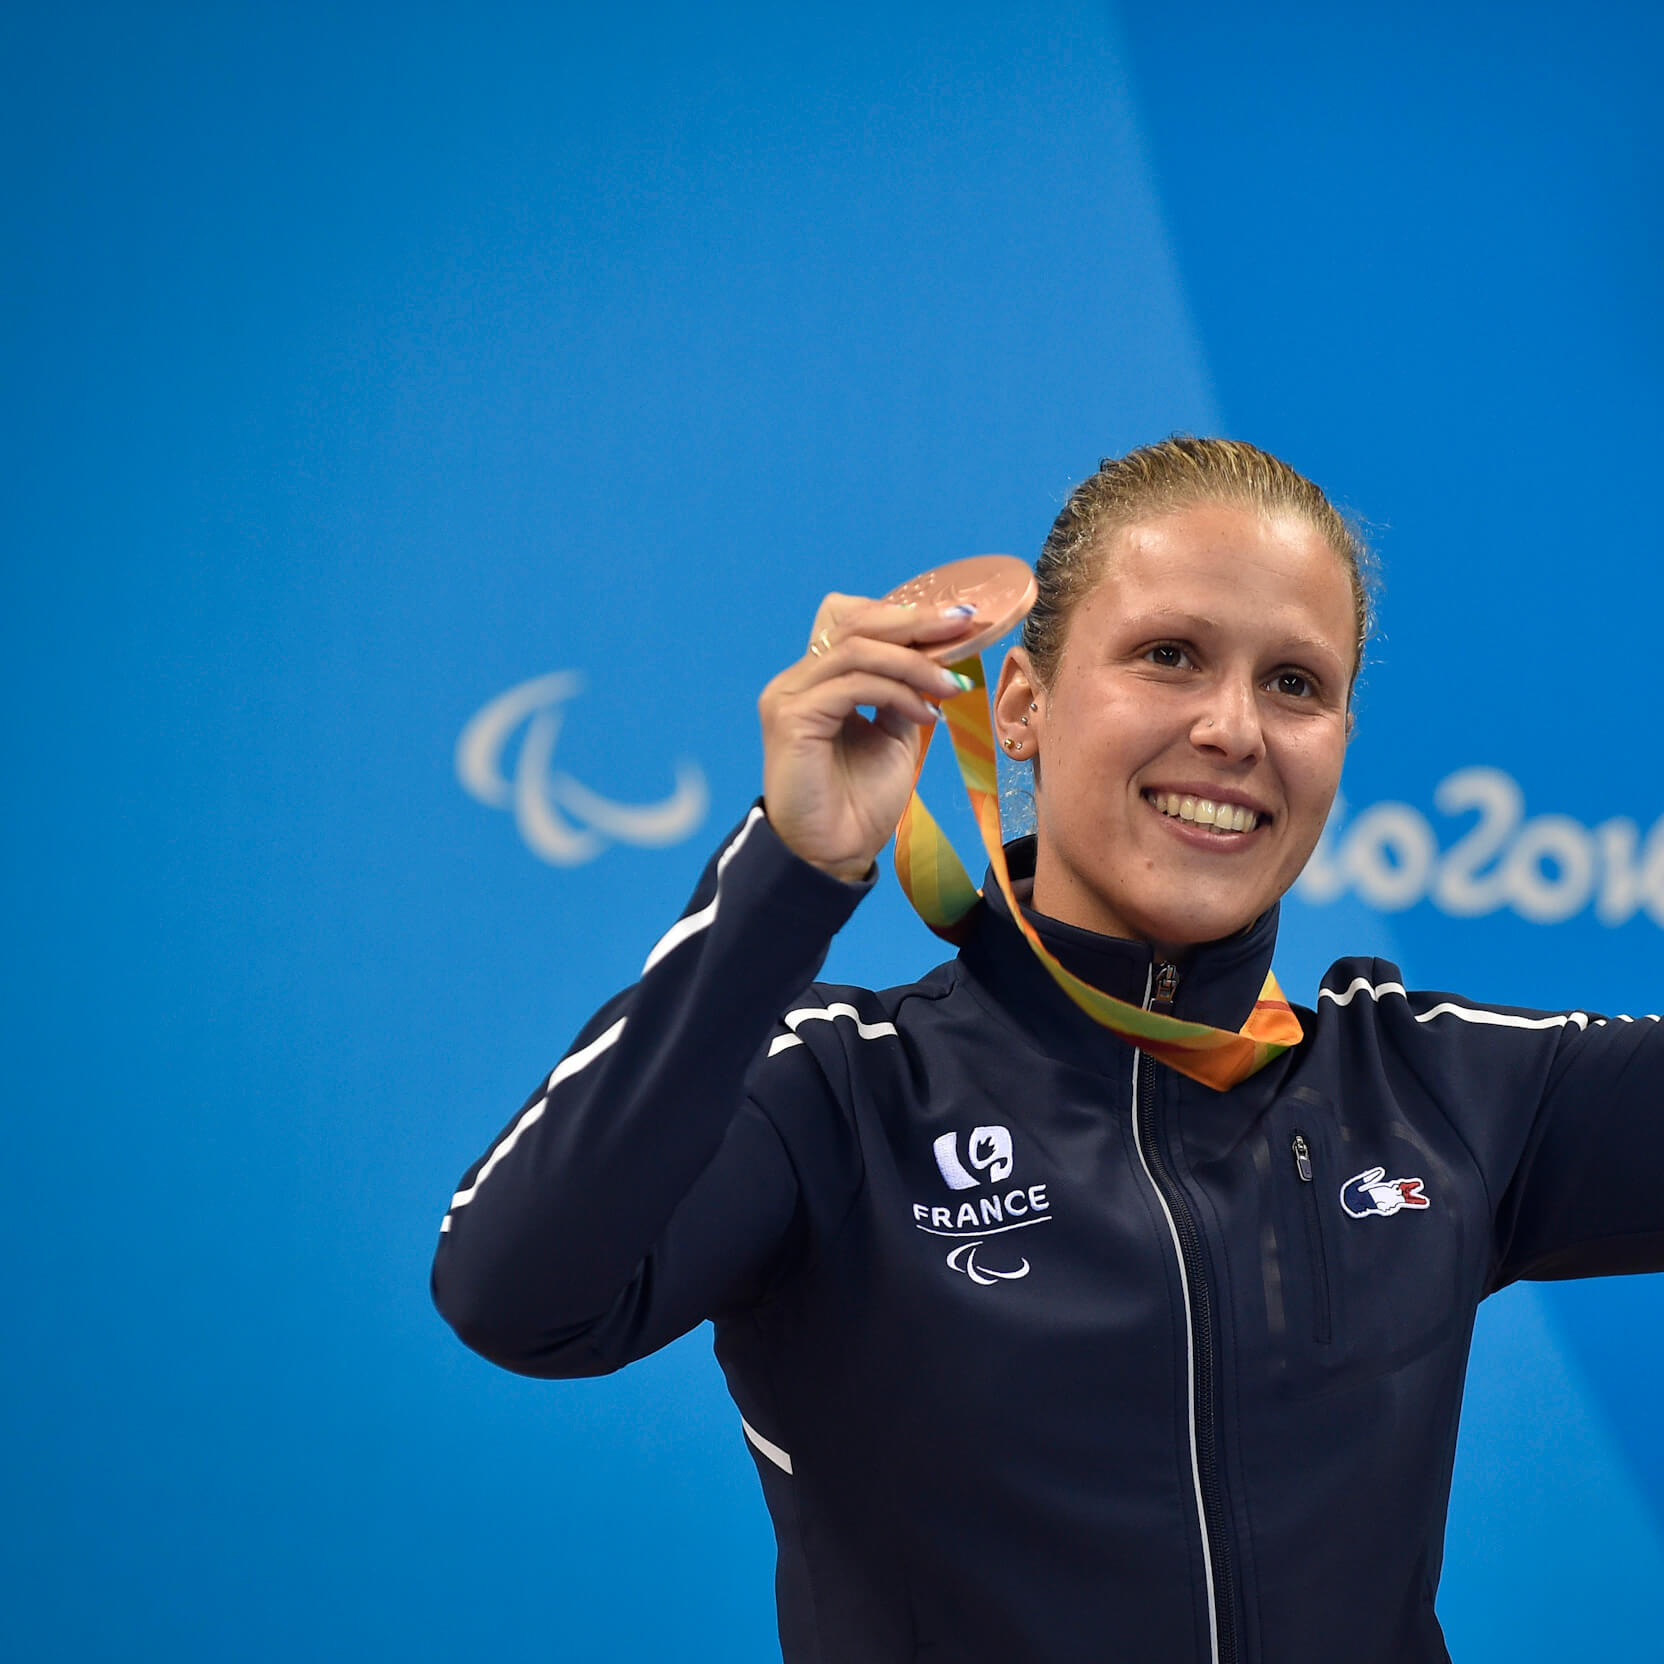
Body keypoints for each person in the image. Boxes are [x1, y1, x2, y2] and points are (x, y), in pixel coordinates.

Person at [431, 438, 1664, 1664]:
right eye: (1167, 655)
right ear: (1018, 703)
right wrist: (788, 877)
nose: (1233, 727)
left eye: (1295, 682)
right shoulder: (840, 1090)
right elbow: (516, 1297)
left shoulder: (1434, 1086)